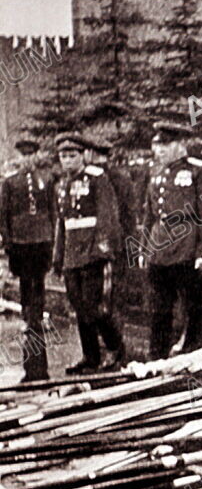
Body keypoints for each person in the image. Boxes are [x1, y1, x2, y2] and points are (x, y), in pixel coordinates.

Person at [136, 119, 202, 361]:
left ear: (181, 145)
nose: (159, 151)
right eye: (157, 145)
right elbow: (149, 215)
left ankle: (192, 352)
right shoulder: (156, 172)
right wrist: (144, 249)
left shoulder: (198, 170)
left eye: (165, 145)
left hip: (187, 244)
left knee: (192, 305)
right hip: (160, 245)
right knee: (159, 307)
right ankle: (157, 357)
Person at [53, 134, 126, 374]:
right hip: (73, 256)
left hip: (93, 253)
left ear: (83, 155)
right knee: (79, 307)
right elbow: (62, 224)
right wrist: (59, 257)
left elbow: (108, 216)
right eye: (63, 157)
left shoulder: (97, 178)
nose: (67, 161)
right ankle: (90, 356)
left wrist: (101, 249)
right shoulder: (62, 185)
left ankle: (116, 348)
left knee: (96, 308)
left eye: (72, 155)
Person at [0, 139, 56, 382]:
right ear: (18, 158)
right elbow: (3, 215)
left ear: (36, 156)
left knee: (38, 295)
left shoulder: (47, 180)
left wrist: (52, 239)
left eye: (31, 155)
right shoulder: (10, 183)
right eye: (23, 156)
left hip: (41, 242)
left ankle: (35, 319)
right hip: (21, 245)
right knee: (27, 296)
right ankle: (28, 319)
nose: (27, 160)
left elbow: (52, 211)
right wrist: (8, 241)